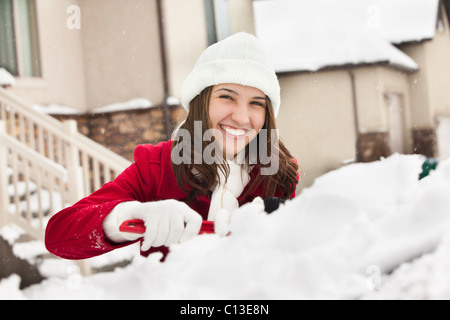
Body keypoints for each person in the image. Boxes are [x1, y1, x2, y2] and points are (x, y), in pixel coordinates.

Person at [45, 32, 299, 260]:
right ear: (201, 101)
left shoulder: (277, 173)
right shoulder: (159, 166)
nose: (242, 118)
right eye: (227, 96)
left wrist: (277, 225)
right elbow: (59, 235)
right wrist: (134, 214)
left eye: (256, 103)